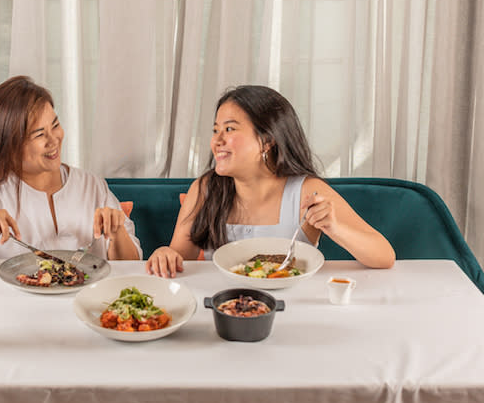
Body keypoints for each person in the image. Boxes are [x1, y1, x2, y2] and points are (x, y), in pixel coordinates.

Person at [146, 85, 395, 278]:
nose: (217, 141)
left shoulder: (307, 190)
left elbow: (384, 256)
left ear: (267, 141)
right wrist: (165, 254)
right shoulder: (204, 190)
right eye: (215, 130)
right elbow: (180, 256)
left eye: (230, 129)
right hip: (223, 309)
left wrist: (335, 228)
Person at [0, 76, 141, 265]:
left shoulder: (92, 186)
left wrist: (117, 231)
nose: (54, 140)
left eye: (55, 125)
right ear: (8, 145)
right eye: (39, 135)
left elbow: (130, 266)